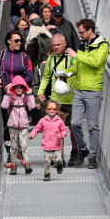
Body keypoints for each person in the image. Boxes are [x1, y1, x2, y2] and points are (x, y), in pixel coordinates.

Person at [67, 19, 108, 169]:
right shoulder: (82, 46)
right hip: (79, 90)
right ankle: (83, 149)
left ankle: (92, 157)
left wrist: (76, 55)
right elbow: (77, 66)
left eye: (82, 32)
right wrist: (67, 73)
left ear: (90, 30)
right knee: (75, 123)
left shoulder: (103, 45)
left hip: (93, 91)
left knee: (93, 126)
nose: (80, 35)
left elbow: (96, 62)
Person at [37, 32, 77, 162]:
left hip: (71, 98)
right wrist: (40, 91)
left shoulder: (72, 58)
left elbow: (78, 73)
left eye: (58, 45)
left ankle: (74, 151)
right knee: (57, 129)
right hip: (56, 100)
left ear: (65, 44)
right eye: (53, 45)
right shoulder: (51, 59)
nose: (56, 47)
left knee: (73, 128)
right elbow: (46, 77)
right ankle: (60, 156)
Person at [0, 30, 33, 146]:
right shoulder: (1, 54)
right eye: (16, 40)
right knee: (7, 123)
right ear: (9, 41)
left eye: (21, 40)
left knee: (19, 123)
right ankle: (9, 151)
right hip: (6, 94)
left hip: (21, 95)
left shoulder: (25, 57)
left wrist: (15, 84)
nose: (19, 42)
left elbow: (30, 76)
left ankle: (20, 146)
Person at [1, 75, 36, 175]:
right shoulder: (10, 97)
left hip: (24, 125)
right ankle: (13, 166)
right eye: (16, 87)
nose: (19, 89)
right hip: (12, 126)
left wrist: (30, 95)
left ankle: (27, 164)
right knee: (14, 146)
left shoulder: (25, 97)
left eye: (21, 87)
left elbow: (32, 106)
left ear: (24, 87)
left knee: (24, 145)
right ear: (13, 88)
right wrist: (7, 93)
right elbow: (4, 106)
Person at [28, 100, 68, 181]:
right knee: (47, 161)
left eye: (54, 108)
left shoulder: (59, 121)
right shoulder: (43, 120)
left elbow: (64, 130)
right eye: (50, 108)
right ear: (46, 110)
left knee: (59, 159)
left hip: (56, 146)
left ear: (57, 110)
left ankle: (59, 165)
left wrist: (61, 135)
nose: (52, 110)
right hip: (46, 145)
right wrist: (32, 134)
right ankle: (47, 174)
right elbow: (37, 128)